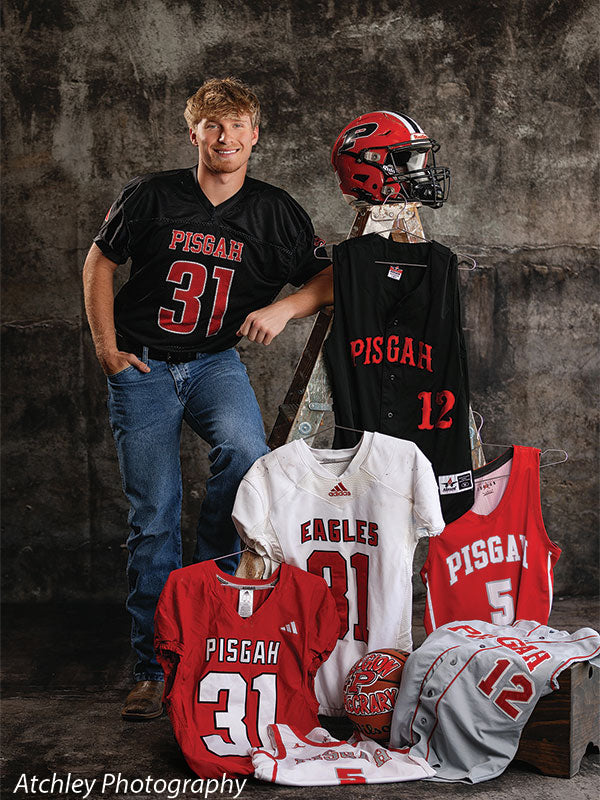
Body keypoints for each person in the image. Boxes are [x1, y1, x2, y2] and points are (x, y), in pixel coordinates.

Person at [82, 77, 333, 720]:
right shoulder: (151, 195)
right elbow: (100, 262)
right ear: (193, 132)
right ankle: (151, 668)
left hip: (214, 364)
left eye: (238, 125)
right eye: (213, 126)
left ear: (256, 134)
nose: (226, 138)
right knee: (154, 517)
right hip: (143, 364)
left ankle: (199, 603)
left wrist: (284, 307)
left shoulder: (275, 211)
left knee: (247, 455)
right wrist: (108, 349)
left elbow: (330, 278)